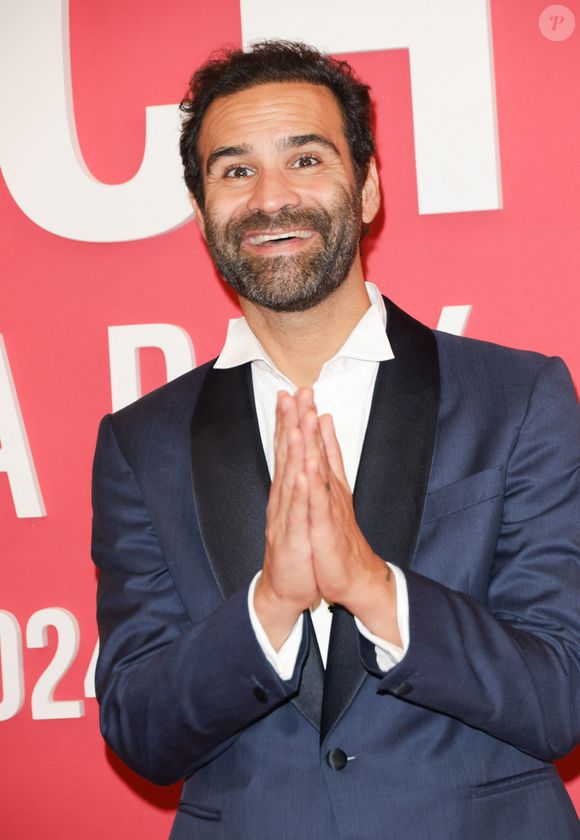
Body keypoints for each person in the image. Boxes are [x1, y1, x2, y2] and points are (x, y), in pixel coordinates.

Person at [91, 40, 580, 839]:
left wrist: (374, 588)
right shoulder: (140, 442)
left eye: (306, 159)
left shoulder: (518, 398)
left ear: (368, 188)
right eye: (234, 170)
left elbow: (561, 693)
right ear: (201, 207)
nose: (269, 197)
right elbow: (140, 731)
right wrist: (270, 606)